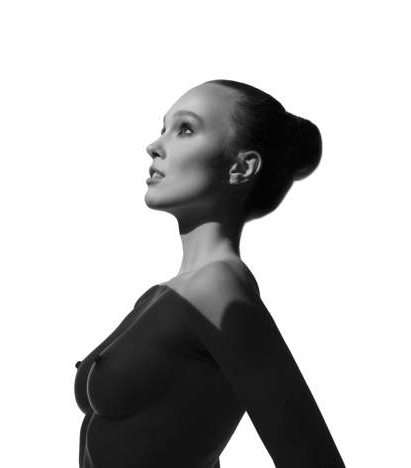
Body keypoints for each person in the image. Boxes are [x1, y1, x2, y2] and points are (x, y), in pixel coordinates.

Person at [74, 79, 346, 467]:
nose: (155, 145)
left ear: (241, 167)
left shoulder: (217, 290)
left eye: (185, 129)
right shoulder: (159, 295)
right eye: (164, 127)